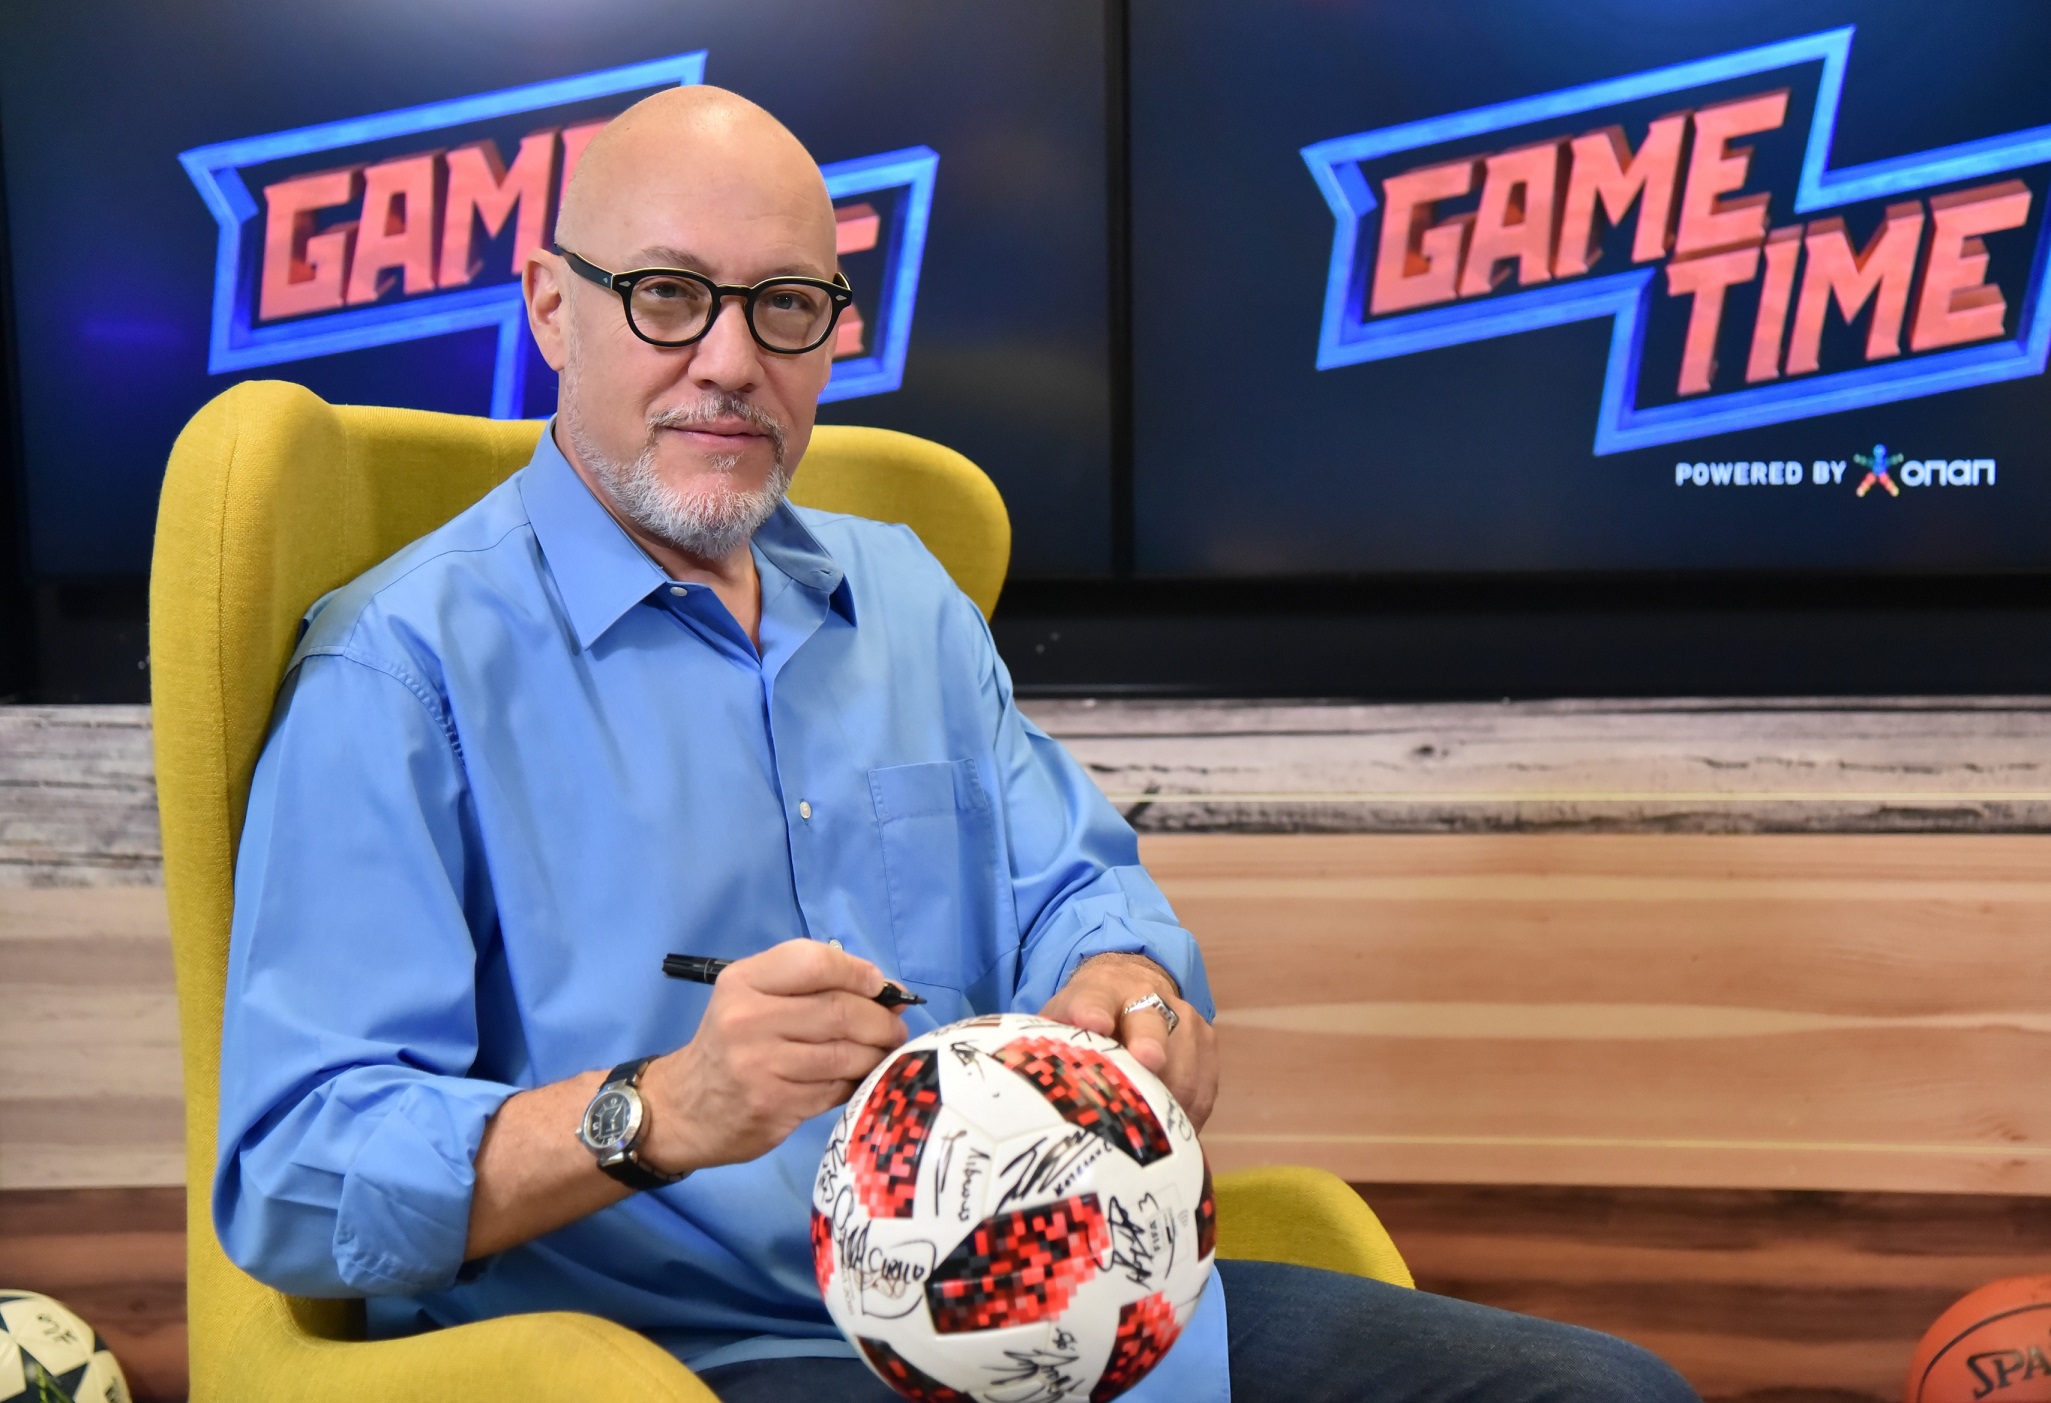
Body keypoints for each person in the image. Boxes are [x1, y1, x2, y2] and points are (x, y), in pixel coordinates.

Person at [213, 84, 1699, 1403]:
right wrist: (659, 1111)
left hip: (1071, 1297)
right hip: (684, 1359)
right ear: (552, 307)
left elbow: (1080, 894)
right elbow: (293, 1176)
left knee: (1607, 1390)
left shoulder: (907, 600)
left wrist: (1122, 983)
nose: (730, 359)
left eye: (786, 305)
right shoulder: (399, 670)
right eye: (667, 295)